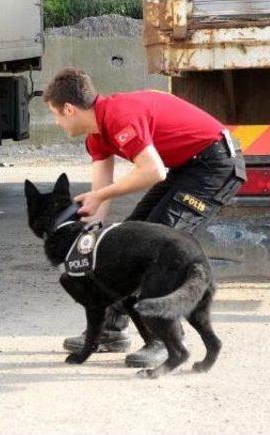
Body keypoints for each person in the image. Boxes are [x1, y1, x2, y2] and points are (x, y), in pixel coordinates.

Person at [42, 68, 246, 367]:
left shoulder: (119, 115)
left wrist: (100, 196)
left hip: (214, 165)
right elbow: (101, 196)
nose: (57, 123)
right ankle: (110, 329)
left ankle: (167, 342)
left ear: (70, 109)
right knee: (125, 241)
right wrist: (84, 240)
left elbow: (152, 171)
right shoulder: (96, 133)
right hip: (184, 168)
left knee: (157, 249)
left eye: (56, 115)